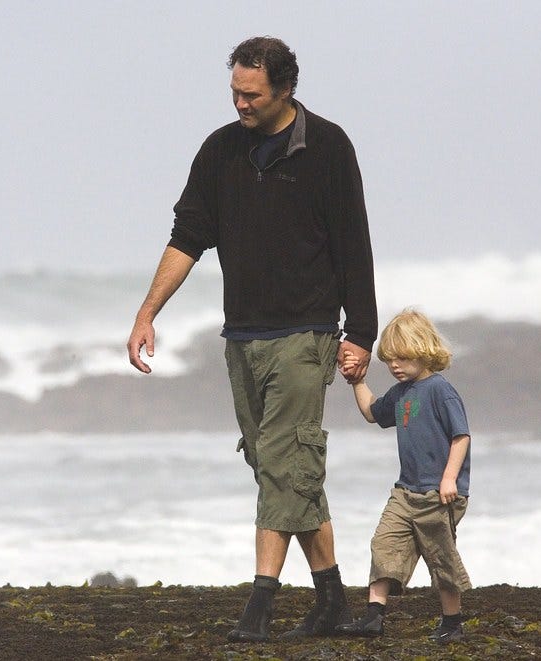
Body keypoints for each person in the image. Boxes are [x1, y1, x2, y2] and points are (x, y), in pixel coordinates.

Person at [126, 36, 377, 642]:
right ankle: (333, 603)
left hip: (306, 331)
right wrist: (146, 313)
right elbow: (188, 236)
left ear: (286, 90)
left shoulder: (328, 147)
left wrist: (361, 333)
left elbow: (354, 243)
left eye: (251, 94)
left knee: (284, 466)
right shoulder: (220, 151)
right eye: (234, 91)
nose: (239, 103)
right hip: (241, 335)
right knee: (282, 465)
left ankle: (259, 607)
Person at [337, 308, 472, 643]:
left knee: (441, 558)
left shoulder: (441, 390)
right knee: (385, 544)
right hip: (405, 492)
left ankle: (452, 622)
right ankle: (373, 617)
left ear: (423, 350)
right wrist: (358, 382)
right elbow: (372, 412)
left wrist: (449, 478)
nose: (394, 366)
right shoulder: (401, 393)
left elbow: (461, 437)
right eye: (389, 360)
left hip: (438, 494)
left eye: (401, 358)